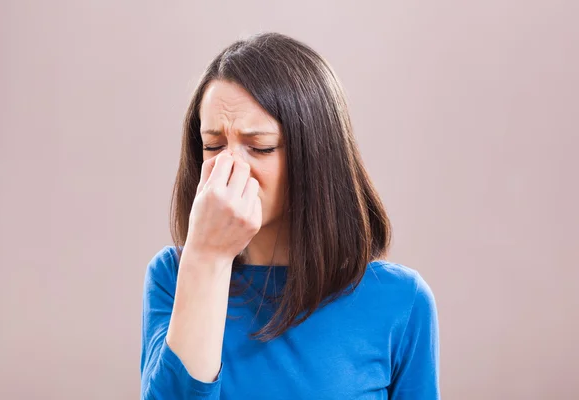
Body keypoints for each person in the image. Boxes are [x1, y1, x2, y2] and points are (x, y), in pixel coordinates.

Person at [140, 32, 440, 400]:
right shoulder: (173, 278)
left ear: (314, 155)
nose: (230, 166)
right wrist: (207, 259)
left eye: (260, 147)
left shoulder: (400, 300)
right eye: (213, 145)